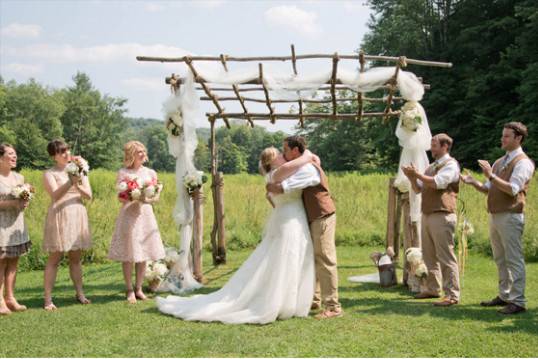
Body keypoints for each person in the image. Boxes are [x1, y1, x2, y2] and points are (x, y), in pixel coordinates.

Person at [156, 147, 316, 324]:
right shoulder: (279, 173)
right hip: (289, 218)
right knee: (286, 256)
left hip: (288, 216)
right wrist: (308, 156)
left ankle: (287, 298)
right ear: (272, 160)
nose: (282, 155)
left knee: (285, 257)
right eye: (279, 154)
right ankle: (281, 301)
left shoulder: (276, 174)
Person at [461, 122, 534, 314]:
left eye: (507, 136)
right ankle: (505, 295)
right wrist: (474, 182)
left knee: (513, 258)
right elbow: (488, 188)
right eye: (503, 135)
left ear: (518, 139)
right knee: (500, 258)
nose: (502, 139)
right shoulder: (500, 161)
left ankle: (518, 301)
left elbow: (513, 189)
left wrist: (491, 176)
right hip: (495, 215)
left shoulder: (523, 162)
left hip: (510, 215)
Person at [267, 136, 342, 319]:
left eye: (285, 149)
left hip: (322, 215)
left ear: (295, 150)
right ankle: (314, 299)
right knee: (314, 257)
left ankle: (333, 306)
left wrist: (278, 187)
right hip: (313, 216)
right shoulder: (302, 164)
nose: (283, 153)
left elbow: (287, 186)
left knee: (325, 258)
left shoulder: (308, 168)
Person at [402, 133, 461, 306]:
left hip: (442, 214)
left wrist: (418, 174)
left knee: (445, 256)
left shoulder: (451, 165)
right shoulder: (431, 166)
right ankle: (433, 288)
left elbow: (438, 183)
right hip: (427, 214)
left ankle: (452, 294)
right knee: (429, 255)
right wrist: (411, 177)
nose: (431, 147)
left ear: (444, 147)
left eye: (434, 144)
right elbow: (418, 188)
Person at [108, 141, 165, 304]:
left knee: (143, 253)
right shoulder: (123, 172)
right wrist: (131, 195)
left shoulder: (151, 173)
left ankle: (139, 288)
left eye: (143, 151)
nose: (142, 153)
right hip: (129, 214)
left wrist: (145, 197)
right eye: (138, 151)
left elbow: (156, 197)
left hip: (145, 214)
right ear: (131, 154)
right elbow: (120, 197)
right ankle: (129, 289)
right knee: (129, 254)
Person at [43, 139, 93, 311]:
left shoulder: (79, 169)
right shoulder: (49, 173)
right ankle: (48, 298)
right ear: (54, 156)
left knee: (76, 258)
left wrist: (77, 182)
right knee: (55, 258)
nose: (66, 154)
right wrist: (69, 181)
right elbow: (55, 195)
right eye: (61, 152)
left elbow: (89, 195)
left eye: (67, 150)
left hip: (77, 212)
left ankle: (80, 293)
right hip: (60, 213)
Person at [0, 144, 31, 315]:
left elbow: (23, 201)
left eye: (15, 154)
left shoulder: (20, 178)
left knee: (13, 261)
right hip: (1, 226)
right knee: (1, 262)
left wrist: (25, 202)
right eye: (10, 154)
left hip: (16, 226)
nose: (14, 157)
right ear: (0, 158)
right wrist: (12, 203)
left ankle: (10, 298)